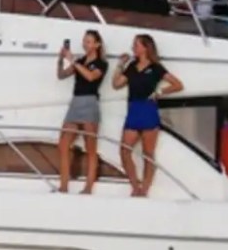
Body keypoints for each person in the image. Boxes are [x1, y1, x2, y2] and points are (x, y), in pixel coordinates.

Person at [113, 34, 184, 197]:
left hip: (148, 109)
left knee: (148, 153)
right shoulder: (132, 66)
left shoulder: (156, 67)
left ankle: (144, 188)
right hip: (133, 109)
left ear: (145, 48)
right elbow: (116, 84)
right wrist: (119, 65)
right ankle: (134, 186)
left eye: (136, 45)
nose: (133, 48)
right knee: (125, 151)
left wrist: (160, 92)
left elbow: (178, 84)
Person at [55, 30, 106, 194]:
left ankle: (88, 187)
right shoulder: (81, 60)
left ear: (97, 45)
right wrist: (60, 60)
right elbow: (62, 75)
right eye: (84, 41)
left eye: (89, 41)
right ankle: (63, 185)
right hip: (76, 102)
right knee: (63, 144)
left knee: (90, 147)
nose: (85, 44)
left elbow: (91, 77)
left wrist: (74, 61)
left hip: (89, 101)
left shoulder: (101, 63)